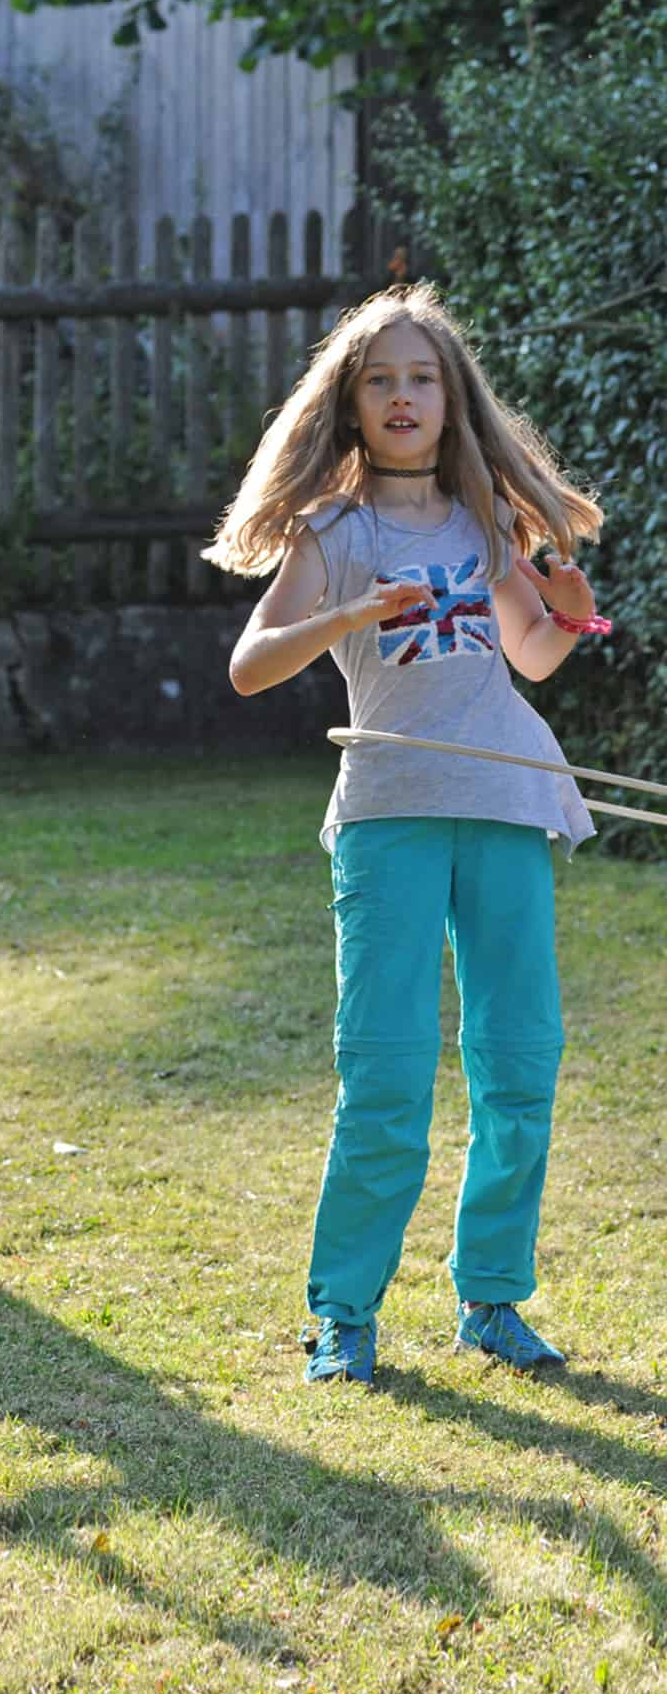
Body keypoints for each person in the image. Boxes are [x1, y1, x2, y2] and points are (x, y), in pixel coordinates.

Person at [209, 283, 606, 1385]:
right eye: (377, 378)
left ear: (449, 398)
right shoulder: (333, 530)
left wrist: (565, 609)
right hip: (387, 810)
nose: (399, 395)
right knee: (384, 1072)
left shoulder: (487, 524)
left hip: (506, 799)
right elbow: (249, 666)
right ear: (347, 403)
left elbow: (529, 658)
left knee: (517, 1062)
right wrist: (344, 613)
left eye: (418, 377)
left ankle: (490, 1298)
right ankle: (342, 1312)